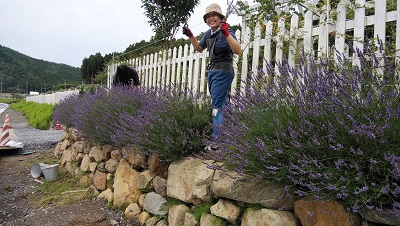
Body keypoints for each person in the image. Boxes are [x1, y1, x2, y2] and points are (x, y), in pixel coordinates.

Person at [182, 3, 241, 142]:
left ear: (220, 17)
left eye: (214, 15)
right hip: (213, 71)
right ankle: (232, 136)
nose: (211, 18)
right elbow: (199, 48)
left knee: (216, 107)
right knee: (224, 104)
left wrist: (226, 34)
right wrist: (191, 35)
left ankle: (218, 143)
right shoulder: (209, 33)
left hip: (223, 71)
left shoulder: (227, 31)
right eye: (208, 16)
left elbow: (238, 50)